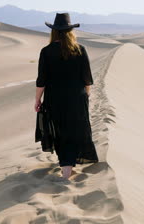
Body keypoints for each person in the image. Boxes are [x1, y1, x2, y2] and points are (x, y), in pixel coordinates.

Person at [34, 12, 99, 180]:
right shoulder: (80, 49)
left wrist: (37, 100)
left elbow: (41, 80)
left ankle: (66, 168)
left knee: (60, 131)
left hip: (54, 99)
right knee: (75, 130)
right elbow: (87, 79)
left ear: (54, 31)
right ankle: (68, 167)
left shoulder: (46, 52)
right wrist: (86, 97)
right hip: (77, 98)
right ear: (71, 31)